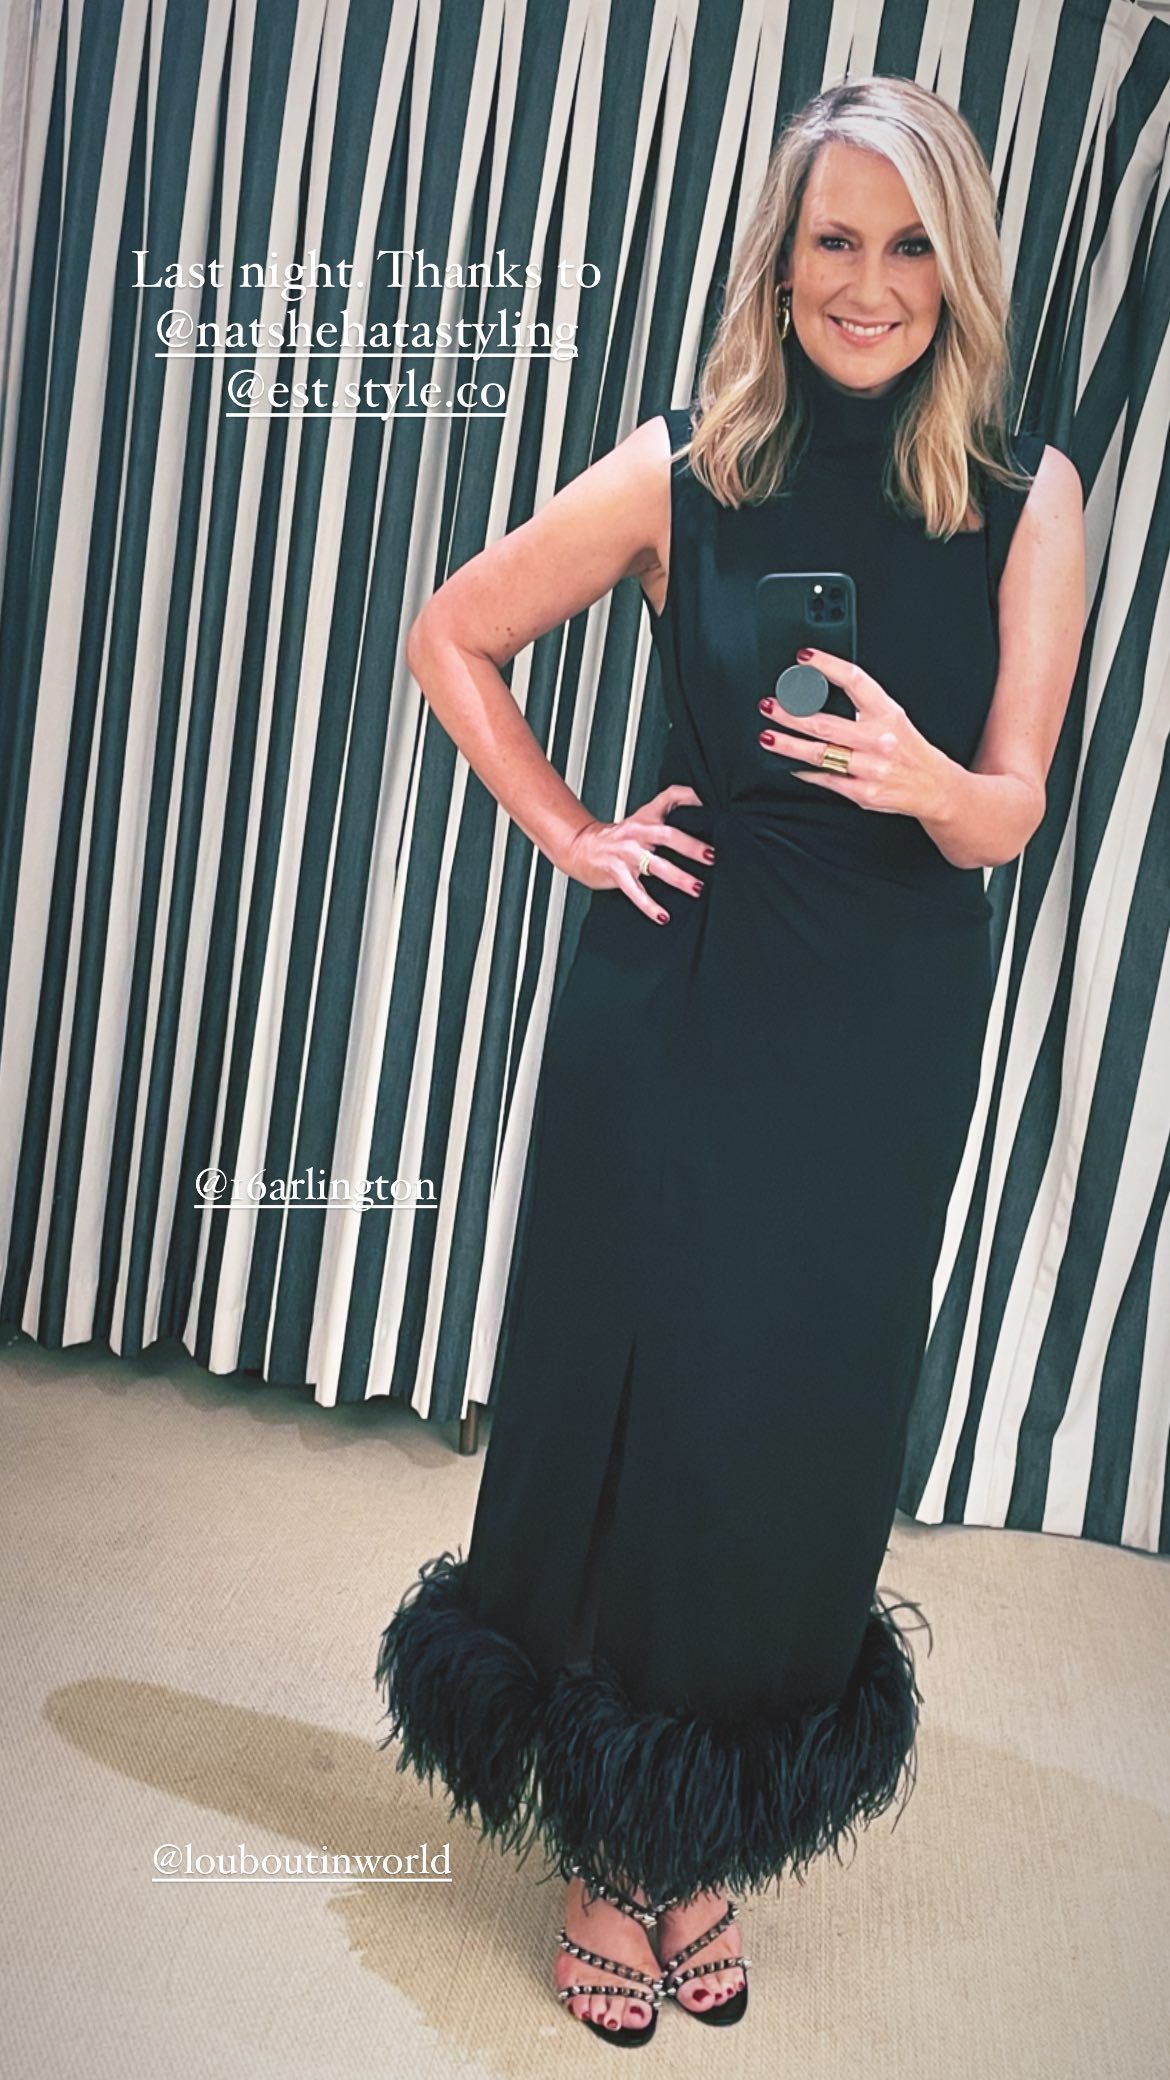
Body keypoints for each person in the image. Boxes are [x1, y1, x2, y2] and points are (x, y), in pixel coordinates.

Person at [375, 74, 1085, 2047]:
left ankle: (704, 1822)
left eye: (909, 244)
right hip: (677, 1012)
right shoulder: (682, 467)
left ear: (959, 268)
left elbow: (1012, 804)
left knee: (793, 1427)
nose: (868, 283)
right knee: (649, 1411)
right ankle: (610, 1842)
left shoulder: (1027, 495)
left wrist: (926, 776)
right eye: (831, 239)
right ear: (779, 261)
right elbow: (452, 634)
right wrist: (573, 828)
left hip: (880, 1040)